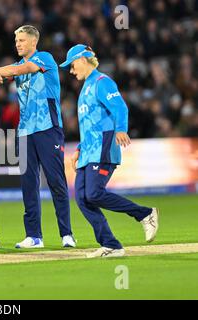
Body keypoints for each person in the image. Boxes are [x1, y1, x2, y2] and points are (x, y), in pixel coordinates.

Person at [59, 44, 159, 258]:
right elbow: (89, 124)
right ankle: (111, 244)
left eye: (72, 64)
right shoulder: (86, 88)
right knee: (83, 199)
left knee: (94, 194)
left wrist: (121, 129)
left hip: (104, 146)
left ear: (83, 59)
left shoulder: (102, 82)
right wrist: (79, 148)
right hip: (89, 151)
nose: (71, 70)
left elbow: (120, 107)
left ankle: (145, 214)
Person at [0, 25, 75, 248]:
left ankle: (67, 234)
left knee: (56, 181)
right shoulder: (17, 65)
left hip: (47, 129)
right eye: (16, 41)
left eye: (22, 40)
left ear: (33, 42)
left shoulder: (44, 59)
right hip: (24, 132)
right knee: (28, 184)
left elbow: (22, 70)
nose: (18, 44)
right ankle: (34, 236)